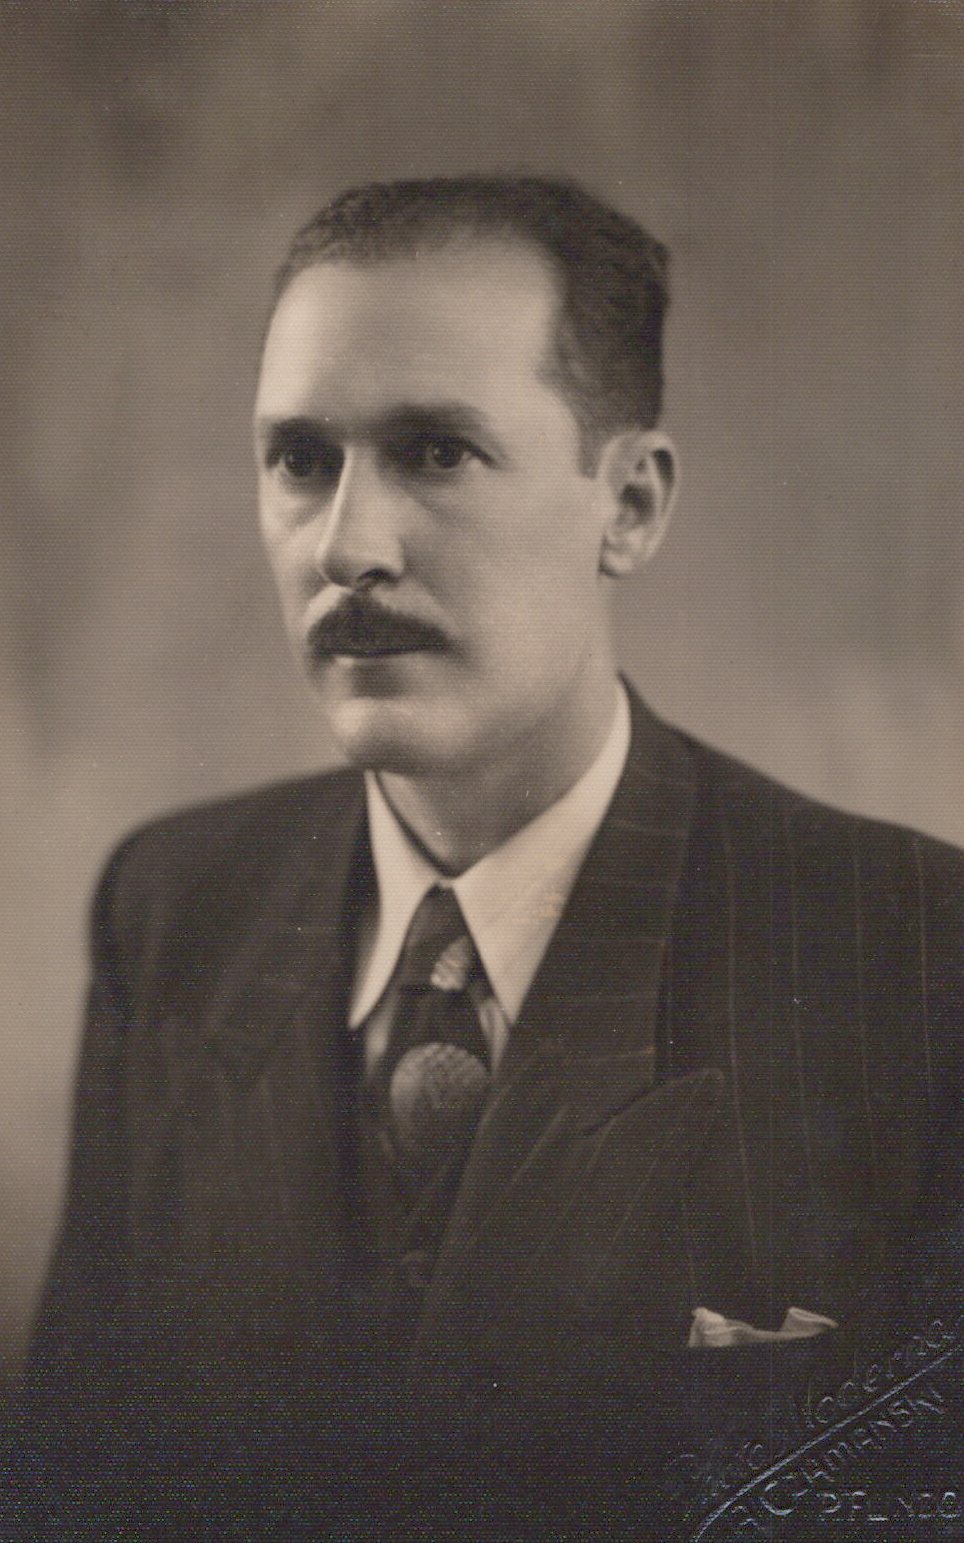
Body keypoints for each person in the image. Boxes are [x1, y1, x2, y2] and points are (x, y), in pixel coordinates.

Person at [12, 176, 962, 1542]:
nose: (347, 547)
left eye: (438, 452)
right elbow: (76, 1483)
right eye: (299, 460)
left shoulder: (910, 953)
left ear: (628, 504)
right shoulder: (173, 906)